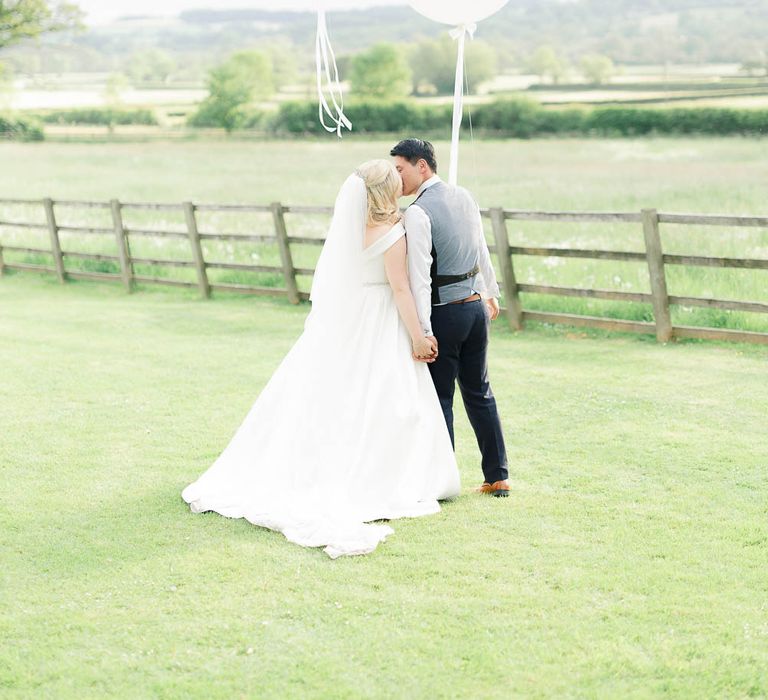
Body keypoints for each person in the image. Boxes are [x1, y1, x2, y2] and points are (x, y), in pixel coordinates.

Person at [181, 159, 460, 558]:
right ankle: (388, 477)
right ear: (386, 191)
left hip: (350, 320)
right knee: (388, 397)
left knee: (347, 395)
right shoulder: (391, 232)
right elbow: (400, 290)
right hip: (381, 318)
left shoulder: (351, 232)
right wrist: (419, 335)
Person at [391, 139, 510, 497]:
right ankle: (498, 476)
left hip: (446, 315)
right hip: (476, 310)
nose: (396, 179)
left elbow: (420, 278)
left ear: (421, 166)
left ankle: (443, 482)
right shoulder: (465, 196)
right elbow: (481, 248)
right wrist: (489, 291)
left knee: (440, 398)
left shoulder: (417, 212)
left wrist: (423, 331)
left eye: (400, 169)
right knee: (480, 393)